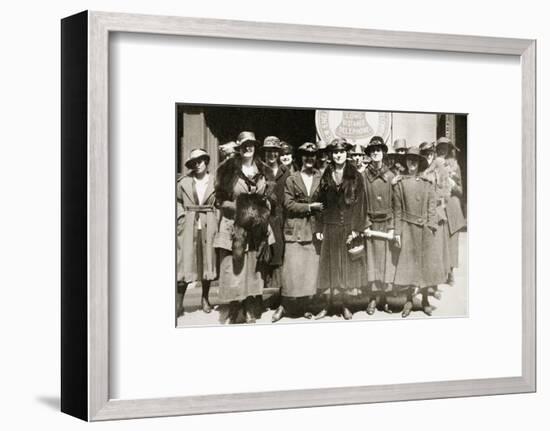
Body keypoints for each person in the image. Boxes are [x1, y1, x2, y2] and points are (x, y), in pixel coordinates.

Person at [213, 131, 274, 324]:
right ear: (238, 147)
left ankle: (250, 307)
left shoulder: (264, 170)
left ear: (255, 147)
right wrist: (240, 209)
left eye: (251, 144)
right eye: (244, 145)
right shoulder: (227, 169)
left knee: (253, 269)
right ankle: (235, 308)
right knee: (233, 268)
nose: (248, 148)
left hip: (256, 227)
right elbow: (219, 200)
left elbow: (270, 197)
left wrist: (264, 209)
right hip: (234, 226)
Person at [315, 138, 370, 320]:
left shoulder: (355, 175)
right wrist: (320, 226)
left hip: (347, 226)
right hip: (330, 227)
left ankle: (346, 305)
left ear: (347, 154)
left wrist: (356, 229)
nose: (338, 155)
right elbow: (321, 203)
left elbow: (361, 204)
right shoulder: (326, 174)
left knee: (346, 268)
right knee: (330, 268)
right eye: (335, 152)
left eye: (342, 152)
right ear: (331, 155)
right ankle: (329, 305)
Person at [272, 142, 324, 322]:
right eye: (305, 155)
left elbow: (327, 203)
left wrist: (322, 227)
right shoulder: (292, 178)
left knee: (310, 271)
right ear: (300, 157)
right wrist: (310, 206)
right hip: (294, 228)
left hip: (314, 229)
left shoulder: (321, 177)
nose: (309, 158)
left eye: (312, 155)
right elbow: (288, 204)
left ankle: (305, 307)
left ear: (316, 158)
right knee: (291, 271)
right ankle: (284, 305)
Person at [392, 147, 437, 317]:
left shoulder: (427, 184)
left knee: (425, 267)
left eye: (415, 160)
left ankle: (425, 300)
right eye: (409, 160)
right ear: (405, 162)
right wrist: (398, 232)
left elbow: (432, 207)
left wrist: (431, 227)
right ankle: (409, 301)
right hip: (407, 229)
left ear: (419, 163)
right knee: (409, 267)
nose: (412, 163)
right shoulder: (400, 184)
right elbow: (397, 210)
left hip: (425, 230)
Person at [176, 148, 218, 318]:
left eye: (201, 160)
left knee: (207, 261)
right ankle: (178, 303)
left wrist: (216, 219)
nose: (198, 164)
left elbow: (221, 202)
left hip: (208, 223)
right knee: (184, 262)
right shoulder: (183, 182)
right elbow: (177, 201)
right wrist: (181, 218)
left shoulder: (215, 181)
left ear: (206, 161)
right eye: (194, 162)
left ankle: (205, 298)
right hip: (189, 224)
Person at [362, 136, 397, 315]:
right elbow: (360, 204)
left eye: (379, 150)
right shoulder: (363, 177)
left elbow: (395, 203)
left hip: (386, 225)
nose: (376, 153)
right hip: (371, 224)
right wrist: (366, 225)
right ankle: (372, 299)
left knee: (385, 263)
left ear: (383, 152)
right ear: (369, 154)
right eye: (373, 150)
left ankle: (384, 299)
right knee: (372, 264)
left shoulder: (391, 177)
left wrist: (392, 227)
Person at [419, 141, 451, 303]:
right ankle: (425, 286)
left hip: (437, 214)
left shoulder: (440, 169)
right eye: (425, 153)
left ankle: (435, 286)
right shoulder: (420, 169)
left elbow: (446, 190)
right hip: (423, 214)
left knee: (437, 252)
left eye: (430, 153)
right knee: (426, 252)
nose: (428, 156)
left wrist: (439, 200)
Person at [437, 136, 466, 285]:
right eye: (440, 147)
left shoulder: (455, 165)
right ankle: (441, 272)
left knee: (452, 241)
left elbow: (461, 191)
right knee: (440, 240)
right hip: (439, 207)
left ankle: (451, 273)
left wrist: (452, 183)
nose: (442, 150)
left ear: (449, 149)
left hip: (452, 208)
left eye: (445, 147)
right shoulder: (434, 164)